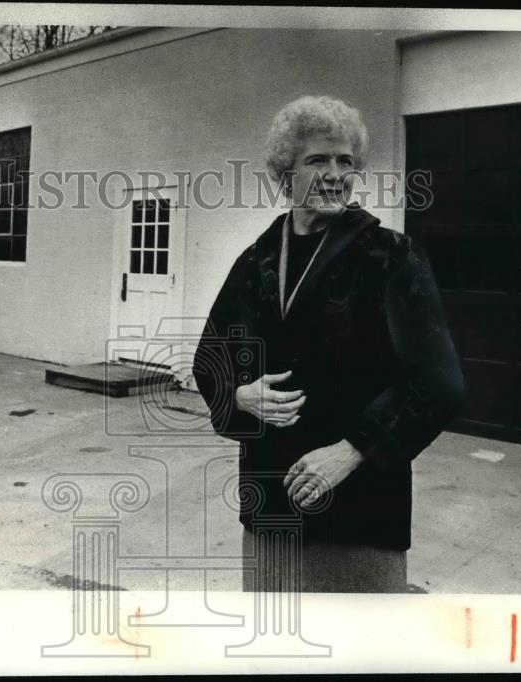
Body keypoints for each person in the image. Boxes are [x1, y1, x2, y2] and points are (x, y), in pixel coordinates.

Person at [193, 95, 465, 593]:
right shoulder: (254, 261)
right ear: (285, 173)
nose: (335, 173)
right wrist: (237, 394)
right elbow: (210, 358)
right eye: (317, 159)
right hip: (270, 498)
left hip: (360, 507)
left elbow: (439, 384)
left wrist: (353, 450)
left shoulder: (390, 256)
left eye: (345, 160)